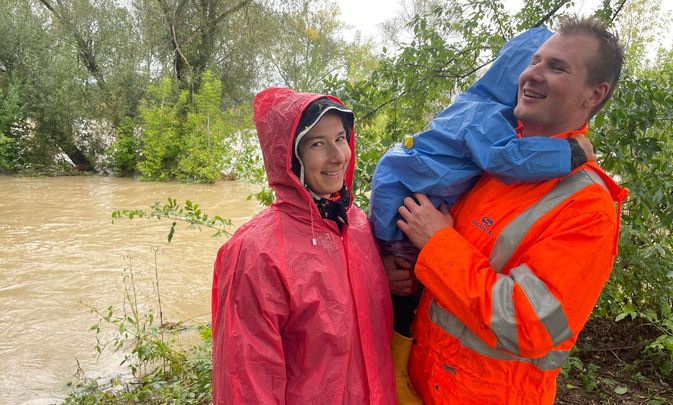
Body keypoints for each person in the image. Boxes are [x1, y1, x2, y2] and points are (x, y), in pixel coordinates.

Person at [395, 16, 628, 404]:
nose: (532, 74)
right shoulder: (490, 163)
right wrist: (405, 271)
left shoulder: (586, 206)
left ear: (594, 94)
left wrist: (436, 243)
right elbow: (448, 278)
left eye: (556, 67)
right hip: (421, 384)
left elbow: (527, 323)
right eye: (535, 60)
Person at [211, 88, 395, 404]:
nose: (338, 156)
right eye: (317, 144)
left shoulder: (358, 225)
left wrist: (392, 282)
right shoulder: (254, 253)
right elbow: (246, 384)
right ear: (289, 156)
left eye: (340, 138)